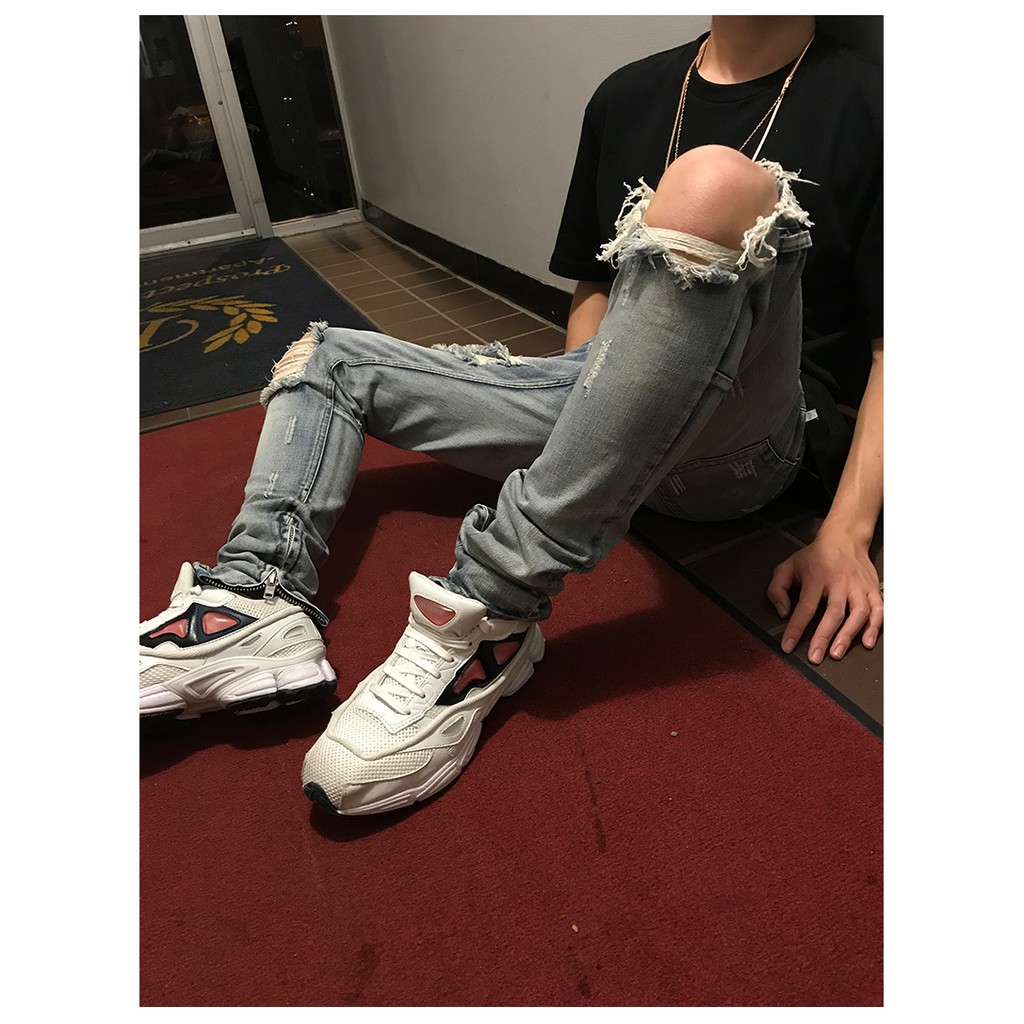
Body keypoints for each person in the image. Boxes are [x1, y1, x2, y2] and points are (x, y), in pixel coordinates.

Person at [140, 15, 882, 817]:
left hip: (751, 435)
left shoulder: (874, 99)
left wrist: (845, 532)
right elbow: (594, 287)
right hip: (607, 389)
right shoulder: (629, 94)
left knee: (714, 182)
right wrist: (594, 422)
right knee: (329, 356)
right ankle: (253, 596)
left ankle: (489, 613)